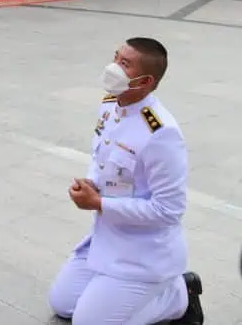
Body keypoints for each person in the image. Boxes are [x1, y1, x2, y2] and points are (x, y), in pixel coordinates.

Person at [47, 37, 204, 325]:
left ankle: (178, 295)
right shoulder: (110, 106)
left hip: (143, 253)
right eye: (116, 57)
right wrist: (92, 182)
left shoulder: (161, 133)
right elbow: (100, 155)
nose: (113, 67)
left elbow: (169, 211)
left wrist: (100, 203)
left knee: (88, 322)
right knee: (62, 304)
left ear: (145, 81)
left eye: (125, 64)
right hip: (107, 237)